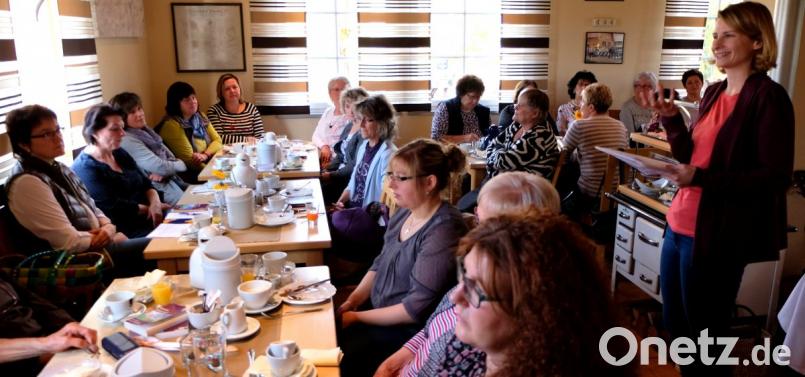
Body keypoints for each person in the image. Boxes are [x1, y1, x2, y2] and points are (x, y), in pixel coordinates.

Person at [644, 2, 794, 375]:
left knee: (705, 340)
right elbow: (692, 156)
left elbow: (774, 177)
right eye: (715, 35)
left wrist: (701, 178)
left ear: (757, 42)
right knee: (677, 330)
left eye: (728, 35)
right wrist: (672, 122)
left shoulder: (768, 98)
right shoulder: (712, 93)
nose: (717, 43)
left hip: (718, 235)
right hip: (678, 226)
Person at [375, 171, 560, 377]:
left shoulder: (491, 328)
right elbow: (430, 330)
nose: (475, 232)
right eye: (478, 219)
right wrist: (395, 361)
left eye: (488, 226)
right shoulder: (471, 275)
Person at [337, 139, 468, 376]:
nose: (390, 184)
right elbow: (380, 261)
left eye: (401, 178)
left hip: (405, 332)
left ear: (429, 182)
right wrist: (354, 299)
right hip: (378, 310)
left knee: (341, 355)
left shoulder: (443, 230)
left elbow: (412, 310)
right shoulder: (406, 211)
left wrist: (356, 317)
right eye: (390, 175)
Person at [449, 212, 625, 376]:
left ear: (533, 312)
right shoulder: (479, 356)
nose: (455, 297)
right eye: (463, 275)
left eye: (477, 289)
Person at [4, 105, 150, 272]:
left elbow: (95, 210)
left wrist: (108, 228)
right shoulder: (27, 183)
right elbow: (68, 242)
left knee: (163, 246)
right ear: (23, 144)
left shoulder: (59, 168)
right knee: (156, 250)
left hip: (97, 247)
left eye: (58, 130)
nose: (58, 137)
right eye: (47, 134)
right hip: (76, 264)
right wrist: (107, 235)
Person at [72, 104, 170, 238]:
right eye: (115, 129)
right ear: (94, 132)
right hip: (126, 231)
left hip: (152, 217)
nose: (122, 133)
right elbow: (114, 209)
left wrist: (156, 203)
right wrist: (152, 209)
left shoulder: (119, 152)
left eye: (122, 128)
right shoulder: (85, 168)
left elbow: (146, 183)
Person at [0, 276, 98, 375]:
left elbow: (33, 300)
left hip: (41, 342)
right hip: (20, 362)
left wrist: (69, 325)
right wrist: (44, 345)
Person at [111, 92, 188, 206]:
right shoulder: (127, 139)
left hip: (174, 182)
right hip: (160, 190)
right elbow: (162, 166)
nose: (140, 114)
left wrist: (167, 170)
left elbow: (180, 163)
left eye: (139, 109)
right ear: (122, 118)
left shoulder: (147, 132)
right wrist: (169, 167)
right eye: (132, 112)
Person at [562, 83, 628, 205]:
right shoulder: (620, 125)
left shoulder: (579, 125)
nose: (580, 106)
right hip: (616, 192)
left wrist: (577, 154)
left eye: (582, 102)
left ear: (591, 107)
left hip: (591, 192)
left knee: (565, 176)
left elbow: (563, 156)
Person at [334, 94, 398, 209]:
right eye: (360, 119)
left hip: (369, 215)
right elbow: (352, 183)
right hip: (354, 209)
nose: (362, 125)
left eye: (368, 120)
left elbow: (387, 195)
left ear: (382, 123)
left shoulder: (389, 154)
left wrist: (363, 214)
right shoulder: (364, 146)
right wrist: (340, 202)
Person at [485, 88, 559, 180]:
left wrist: (497, 157)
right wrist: (499, 159)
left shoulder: (540, 136)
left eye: (520, 105)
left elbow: (502, 162)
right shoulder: (517, 126)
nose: (515, 106)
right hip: (506, 184)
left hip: (526, 190)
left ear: (535, 113)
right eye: (516, 103)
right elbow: (492, 143)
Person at [158, 81, 223, 181]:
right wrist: (217, 175)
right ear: (176, 103)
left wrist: (205, 155)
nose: (192, 101)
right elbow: (191, 161)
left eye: (193, 97)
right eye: (186, 99)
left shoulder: (200, 116)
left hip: (209, 163)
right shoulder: (172, 125)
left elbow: (218, 141)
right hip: (191, 175)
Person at [322, 87, 369, 203]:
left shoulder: (364, 130)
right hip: (339, 174)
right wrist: (326, 169)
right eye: (348, 106)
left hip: (348, 180)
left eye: (355, 107)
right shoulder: (349, 127)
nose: (351, 111)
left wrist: (331, 176)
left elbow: (355, 165)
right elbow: (340, 155)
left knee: (318, 190)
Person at [206, 73, 265, 144]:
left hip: (250, 151)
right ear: (221, 93)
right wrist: (246, 139)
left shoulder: (251, 109)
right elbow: (219, 138)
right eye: (227, 89)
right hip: (225, 153)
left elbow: (260, 137)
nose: (232, 91)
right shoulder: (214, 111)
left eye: (235, 87)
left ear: (239, 89)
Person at [431, 74, 490, 144]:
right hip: (453, 152)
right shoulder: (446, 108)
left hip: (480, 153)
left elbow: (489, 137)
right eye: (472, 96)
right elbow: (435, 138)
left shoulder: (484, 111)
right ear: (461, 94)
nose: (475, 101)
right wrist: (464, 138)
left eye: (478, 97)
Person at [312, 76, 350, 166]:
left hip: (339, 163)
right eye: (336, 90)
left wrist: (331, 163)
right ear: (330, 93)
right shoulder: (328, 112)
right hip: (323, 159)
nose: (341, 93)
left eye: (344, 90)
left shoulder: (351, 116)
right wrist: (324, 146)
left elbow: (347, 149)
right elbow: (315, 136)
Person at [556, 70, 598, 134]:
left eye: (587, 85)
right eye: (580, 84)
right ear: (573, 89)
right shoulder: (563, 109)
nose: (584, 87)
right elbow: (561, 132)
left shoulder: (595, 108)